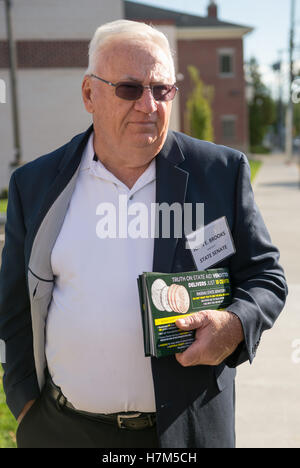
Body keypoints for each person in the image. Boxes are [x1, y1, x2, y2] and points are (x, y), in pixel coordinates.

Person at [0, 19, 287, 448]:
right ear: (88, 94)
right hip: (63, 430)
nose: (148, 105)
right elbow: (14, 306)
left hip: (185, 433)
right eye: (129, 89)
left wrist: (234, 324)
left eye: (162, 89)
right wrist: (25, 404)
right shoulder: (37, 185)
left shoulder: (219, 174)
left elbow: (266, 277)